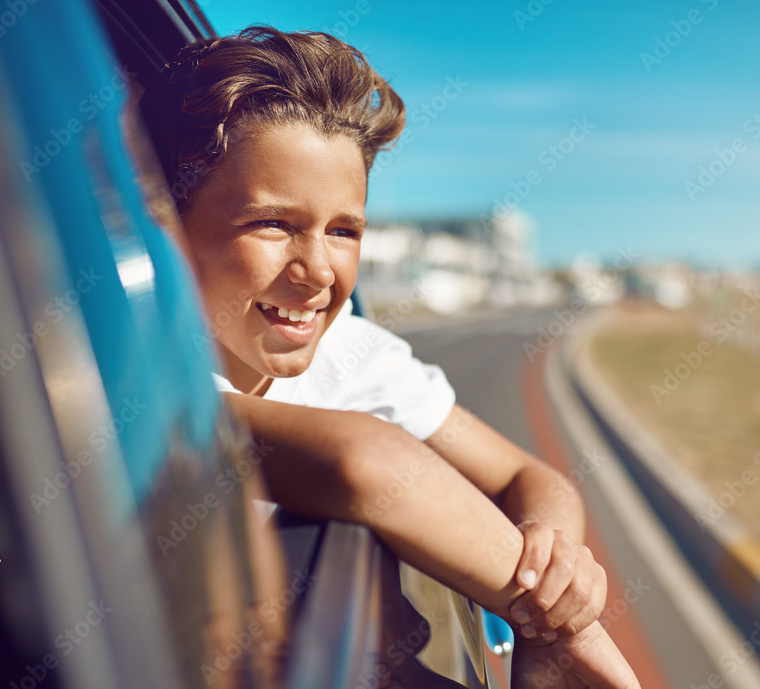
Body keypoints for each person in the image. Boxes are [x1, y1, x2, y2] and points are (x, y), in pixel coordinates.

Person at [140, 26, 639, 688]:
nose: (318, 270)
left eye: (343, 230)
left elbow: (531, 477)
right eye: (272, 223)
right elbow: (364, 462)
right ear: (169, 229)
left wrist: (556, 572)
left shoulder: (346, 348)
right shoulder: (147, 375)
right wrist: (563, 622)